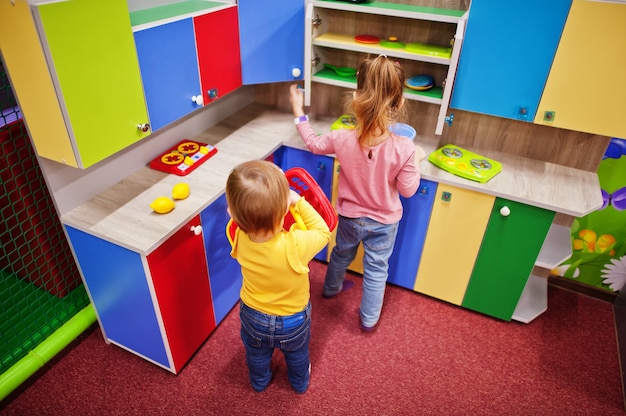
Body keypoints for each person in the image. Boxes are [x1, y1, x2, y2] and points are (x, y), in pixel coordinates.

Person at [289, 55, 423, 332]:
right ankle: (369, 319)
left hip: (349, 217)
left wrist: (298, 110)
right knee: (376, 270)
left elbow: (313, 143)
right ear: (399, 103)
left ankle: (330, 289)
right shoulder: (405, 148)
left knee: (340, 254)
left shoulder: (341, 137)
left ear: (356, 95)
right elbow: (409, 191)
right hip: (384, 223)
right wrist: (417, 159)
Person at [225, 160, 331, 394]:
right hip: (292, 319)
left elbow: (243, 210)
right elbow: (323, 231)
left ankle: (260, 382)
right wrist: (296, 200)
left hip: (252, 314)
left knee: (256, 354)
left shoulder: (237, 236)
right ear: (284, 211)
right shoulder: (295, 244)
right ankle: (299, 383)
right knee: (297, 354)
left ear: (232, 213)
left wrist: (276, 193)